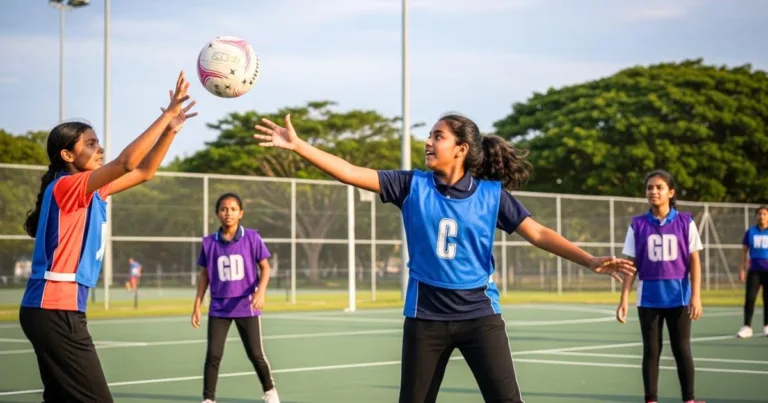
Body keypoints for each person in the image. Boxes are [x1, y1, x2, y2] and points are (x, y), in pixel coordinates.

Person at [254, 113, 635, 403]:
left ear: (461, 149)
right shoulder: (410, 185)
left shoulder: (491, 195)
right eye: (430, 135)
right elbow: (352, 173)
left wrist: (588, 260)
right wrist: (299, 146)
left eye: (438, 136)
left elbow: (538, 233)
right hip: (426, 319)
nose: (428, 142)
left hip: (480, 318)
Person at [18, 71, 197, 402]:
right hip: (55, 308)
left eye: (98, 142)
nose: (99, 148)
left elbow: (145, 172)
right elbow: (127, 162)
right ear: (66, 156)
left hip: (53, 308)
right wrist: (166, 115)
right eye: (89, 143)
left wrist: (169, 132)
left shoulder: (91, 192)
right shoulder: (67, 186)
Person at [616, 170, 705, 403]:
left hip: (679, 297)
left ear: (671, 192)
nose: (653, 191)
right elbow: (631, 264)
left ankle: (689, 399)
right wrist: (624, 298)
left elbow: (694, 260)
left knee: (682, 350)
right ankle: (651, 399)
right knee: (651, 352)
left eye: (659, 187)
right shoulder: (637, 224)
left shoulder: (686, 221)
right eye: (649, 188)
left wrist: (696, 296)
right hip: (648, 299)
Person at [191, 192, 280, 403]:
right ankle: (208, 399)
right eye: (223, 209)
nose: (227, 213)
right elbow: (205, 275)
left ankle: (270, 391)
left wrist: (260, 291)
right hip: (219, 307)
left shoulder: (252, 237)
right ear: (217, 213)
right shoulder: (209, 242)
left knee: (256, 354)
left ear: (240, 213)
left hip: (246, 304)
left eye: (232, 209)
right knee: (213, 355)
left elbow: (265, 268)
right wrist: (197, 305)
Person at [736, 205, 768, 338]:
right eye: (759, 214)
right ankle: (747, 327)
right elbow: (744, 251)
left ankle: (767, 326)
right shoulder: (751, 232)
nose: (762, 216)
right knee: (750, 298)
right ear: (756, 216)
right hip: (754, 270)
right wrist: (742, 269)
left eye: (765, 214)